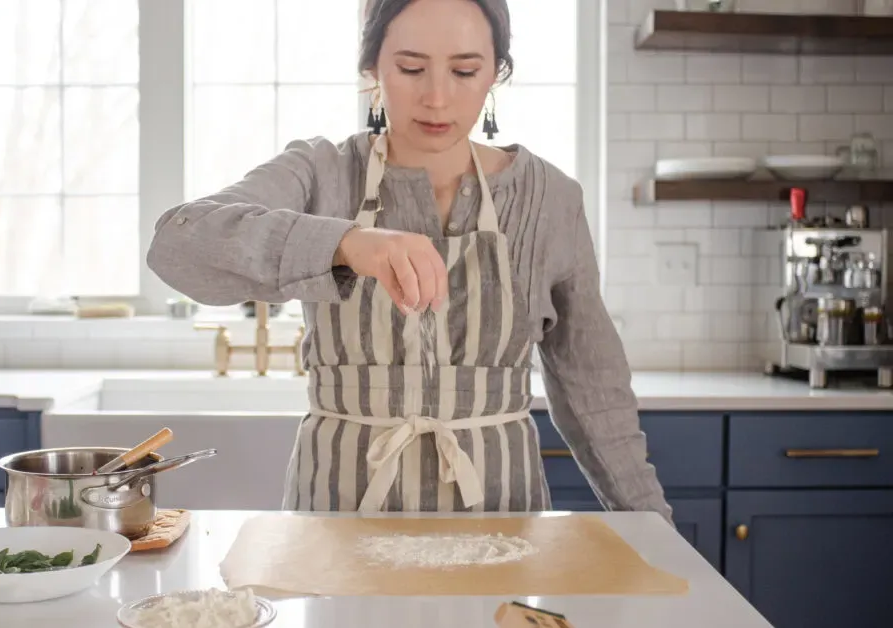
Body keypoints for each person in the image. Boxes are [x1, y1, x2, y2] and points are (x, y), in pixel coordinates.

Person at [147, 0, 672, 522]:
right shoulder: (321, 173)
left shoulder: (550, 199)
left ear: (496, 72)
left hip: (501, 521)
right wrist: (348, 244)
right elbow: (177, 245)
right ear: (372, 67)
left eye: (465, 70)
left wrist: (656, 532)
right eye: (411, 68)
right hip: (336, 521)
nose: (437, 97)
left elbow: (594, 394)